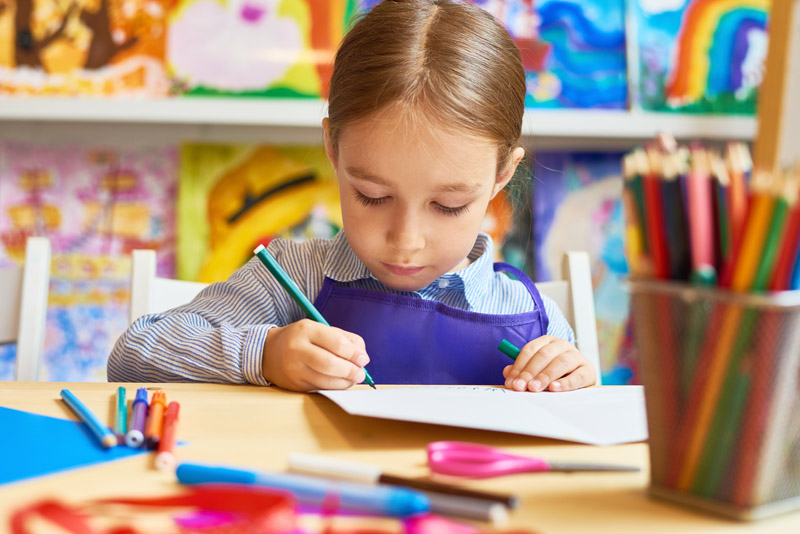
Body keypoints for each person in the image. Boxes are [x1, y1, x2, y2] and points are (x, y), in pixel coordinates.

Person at [108, 0, 597, 393]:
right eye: (372, 196)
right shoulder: (293, 277)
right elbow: (134, 353)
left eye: (448, 206)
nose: (406, 242)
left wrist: (572, 377)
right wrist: (265, 354)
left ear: (501, 175)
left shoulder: (532, 315)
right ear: (333, 149)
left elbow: (578, 410)